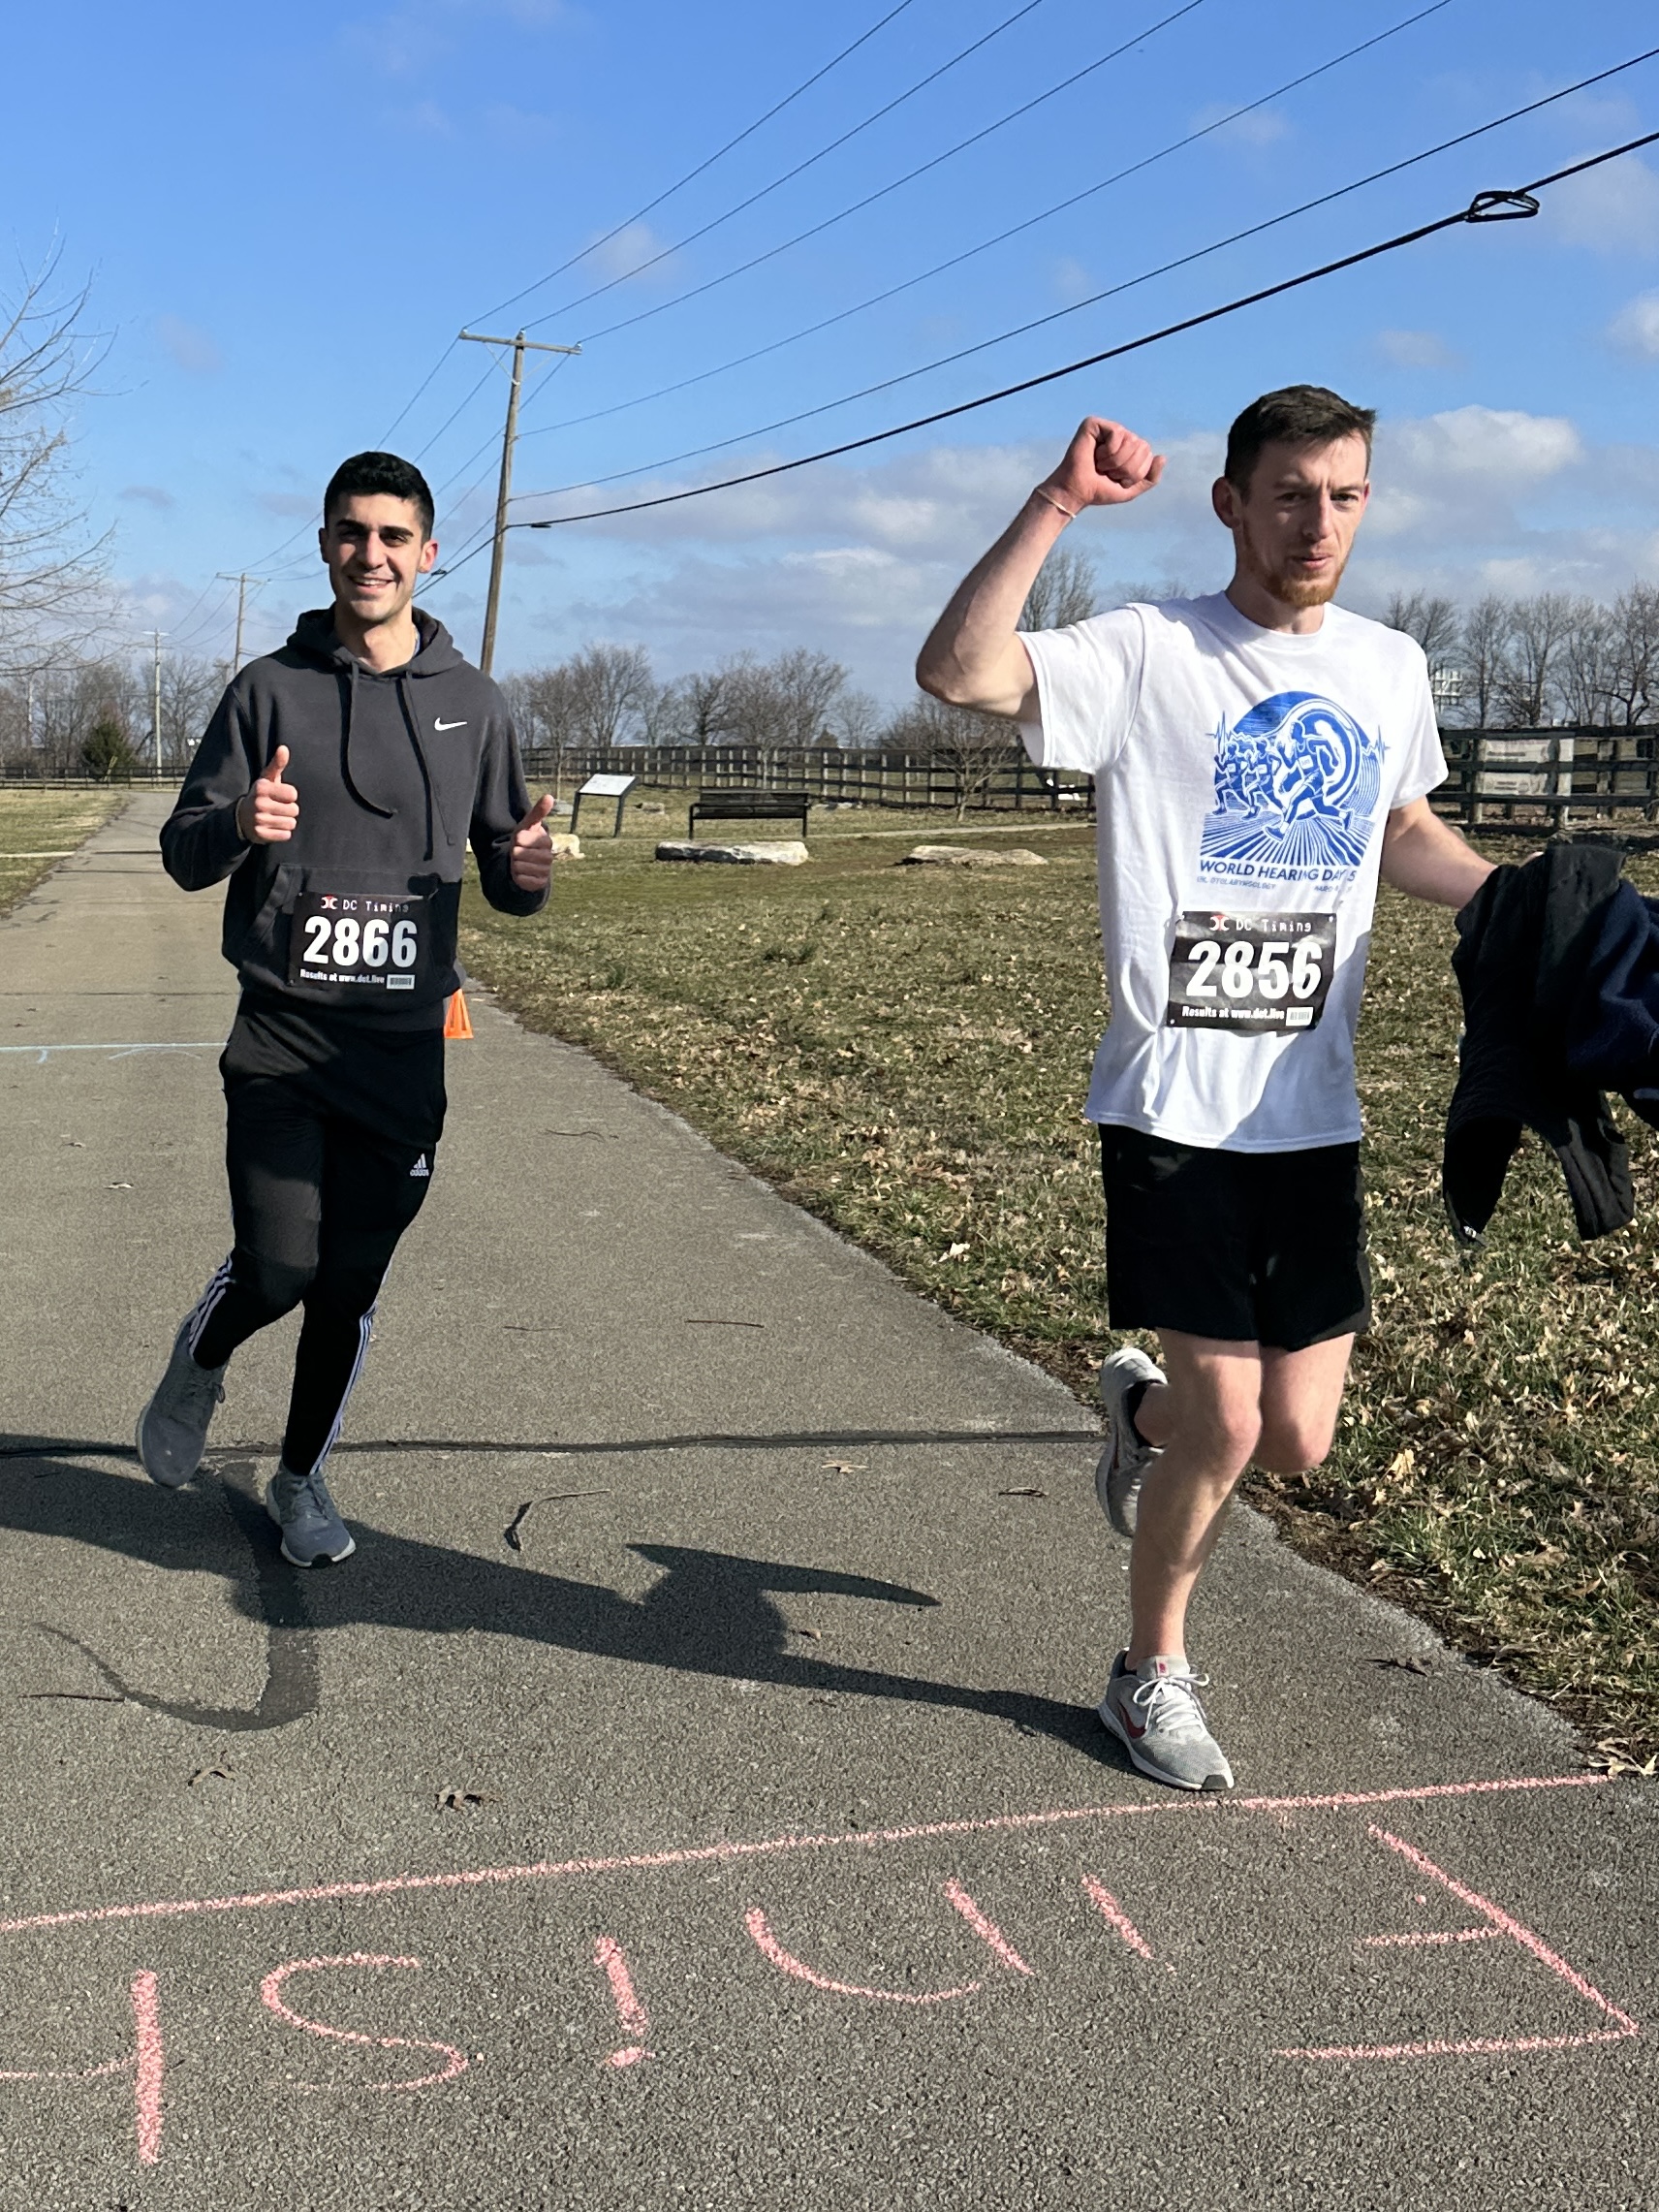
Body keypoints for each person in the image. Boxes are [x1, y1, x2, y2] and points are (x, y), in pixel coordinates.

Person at [916, 386, 1493, 1790]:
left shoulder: (1389, 664)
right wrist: (1057, 503)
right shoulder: (1150, 650)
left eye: (1346, 494)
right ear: (1231, 502)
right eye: (1291, 492)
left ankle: (1140, 1420)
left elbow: (1404, 826)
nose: (1319, 521)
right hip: (1173, 1100)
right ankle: (1146, 1671)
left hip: (1316, 1104)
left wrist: (1521, 904)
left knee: (1291, 1437)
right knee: (1234, 1423)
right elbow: (958, 671)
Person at [139, 451, 554, 1565]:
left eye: (391, 536)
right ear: (324, 545)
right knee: (279, 1266)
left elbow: (511, 877)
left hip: (403, 1048)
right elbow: (182, 851)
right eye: (348, 532)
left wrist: (527, 862)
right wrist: (239, 823)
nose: (369, 554)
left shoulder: (474, 704)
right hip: (282, 1033)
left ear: (426, 552)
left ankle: (301, 1475)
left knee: (349, 1286)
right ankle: (199, 1362)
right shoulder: (265, 690)